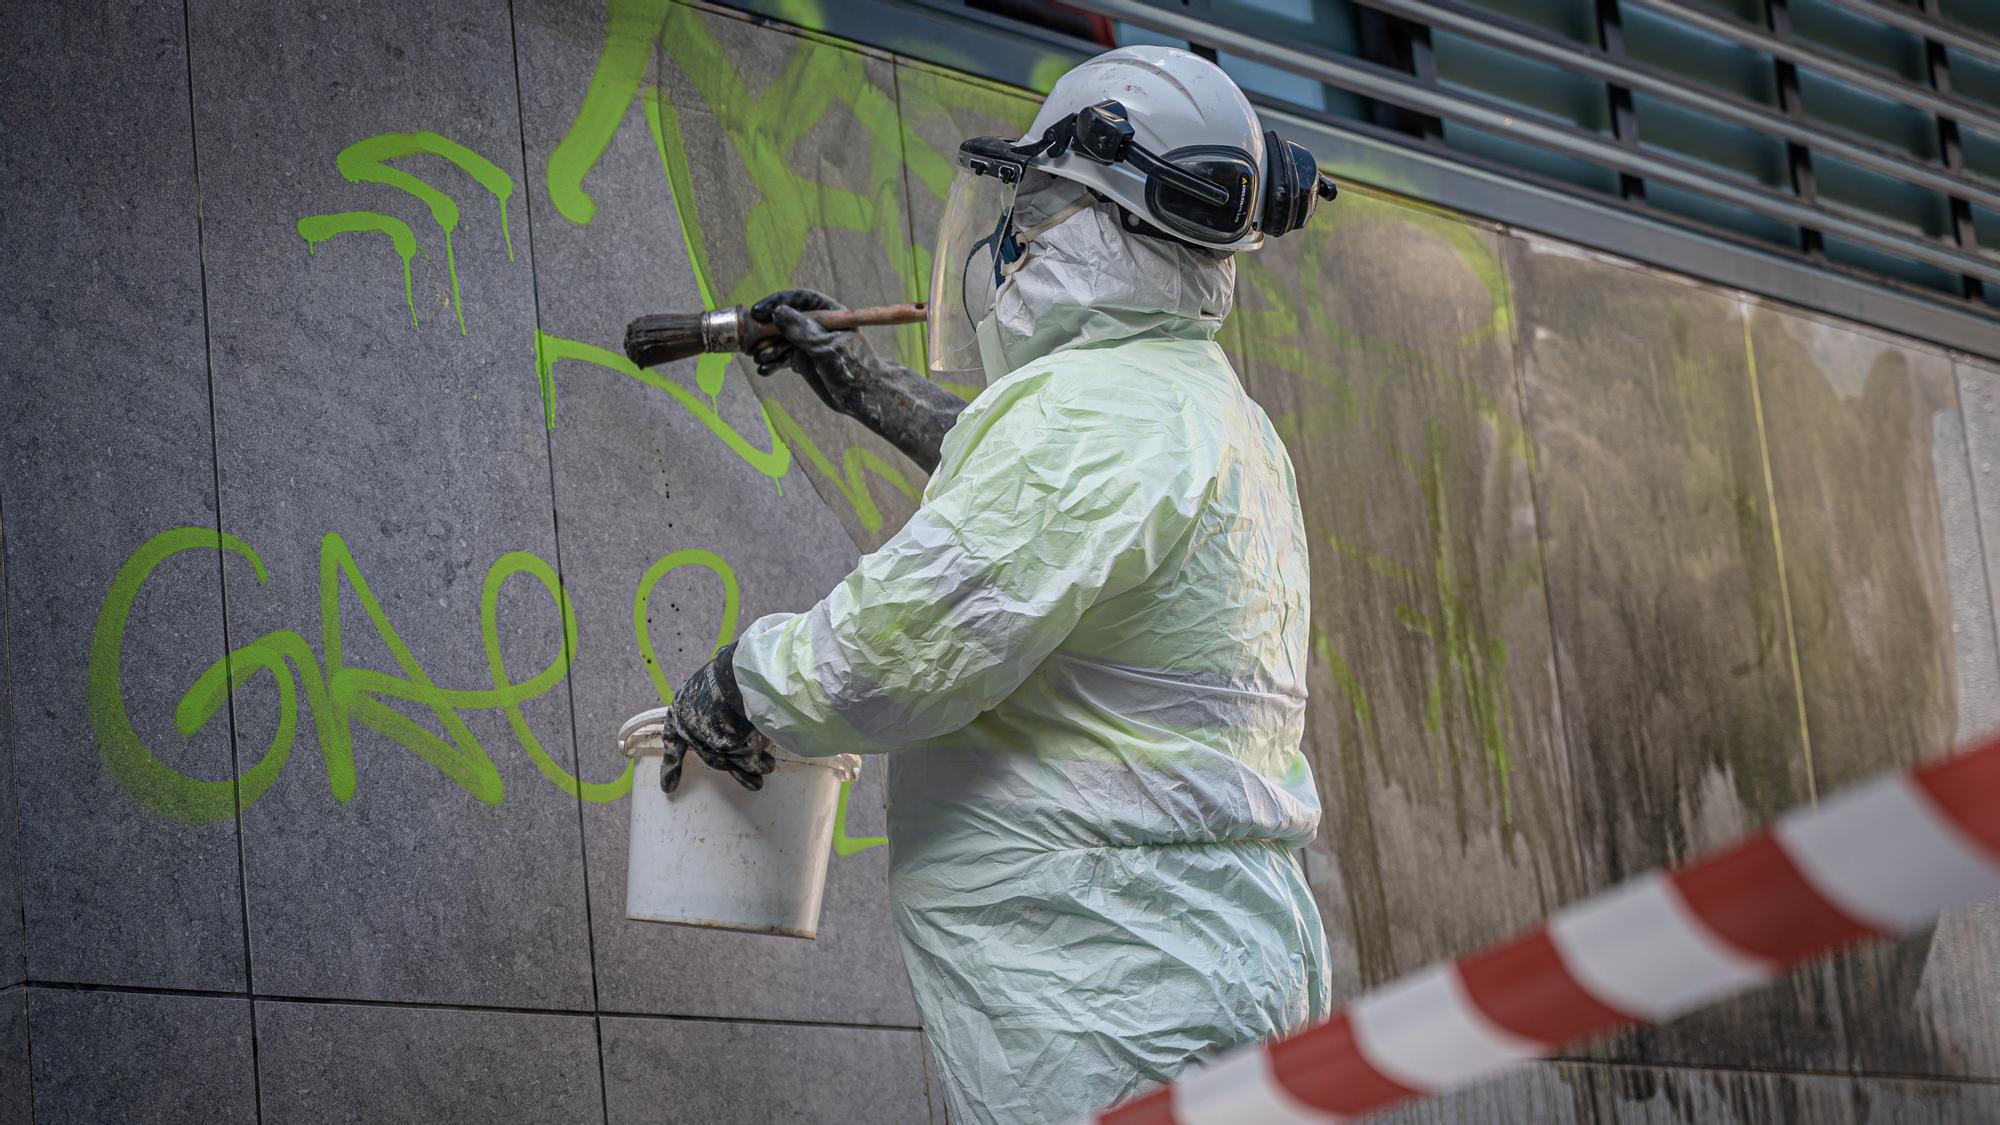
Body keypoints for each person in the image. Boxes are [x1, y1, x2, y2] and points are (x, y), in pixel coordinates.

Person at [649, 45, 1340, 1124]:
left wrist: (742, 686)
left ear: (1106, 222)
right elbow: (1059, 528)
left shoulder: (1089, 417)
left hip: (1107, 981)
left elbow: (907, 641)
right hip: (1202, 955)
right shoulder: (1206, 413)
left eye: (1040, 203)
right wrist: (868, 393)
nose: (1011, 236)